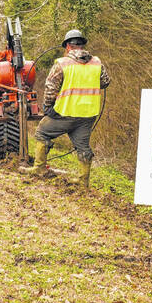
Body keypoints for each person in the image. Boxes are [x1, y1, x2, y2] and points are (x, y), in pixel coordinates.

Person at [28, 29, 111, 187]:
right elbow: (105, 82)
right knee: (83, 146)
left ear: (67, 46)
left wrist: (47, 106)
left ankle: (39, 168)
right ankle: (83, 179)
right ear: (82, 45)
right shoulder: (96, 63)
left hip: (64, 112)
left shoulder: (62, 63)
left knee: (42, 133)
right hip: (88, 114)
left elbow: (51, 87)